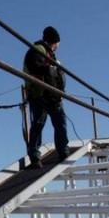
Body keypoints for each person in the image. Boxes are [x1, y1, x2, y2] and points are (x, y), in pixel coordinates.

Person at [23, 26, 70, 168]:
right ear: (55, 41)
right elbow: (34, 67)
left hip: (50, 95)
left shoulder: (49, 54)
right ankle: (41, 155)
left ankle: (57, 152)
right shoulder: (38, 50)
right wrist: (50, 69)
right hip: (40, 94)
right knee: (44, 124)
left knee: (47, 123)